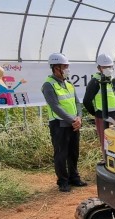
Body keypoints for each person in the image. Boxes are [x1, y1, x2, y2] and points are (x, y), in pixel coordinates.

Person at [42, 53, 87, 192]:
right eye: (64, 66)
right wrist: (73, 120)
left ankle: (74, 177)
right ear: (56, 68)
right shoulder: (48, 85)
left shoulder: (68, 83)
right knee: (61, 153)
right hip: (59, 125)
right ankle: (63, 181)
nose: (67, 69)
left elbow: (77, 102)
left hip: (73, 124)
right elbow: (55, 106)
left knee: (74, 152)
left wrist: (79, 117)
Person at [83, 54, 115, 163]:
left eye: (110, 67)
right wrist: (96, 113)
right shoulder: (95, 82)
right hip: (102, 116)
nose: (109, 69)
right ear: (99, 68)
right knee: (106, 141)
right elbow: (87, 101)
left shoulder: (112, 79)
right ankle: (107, 161)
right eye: (105, 67)